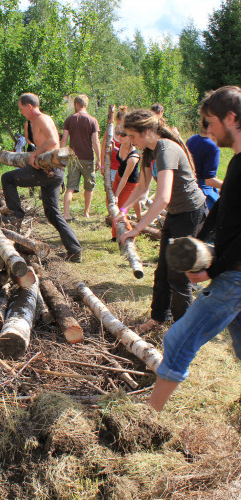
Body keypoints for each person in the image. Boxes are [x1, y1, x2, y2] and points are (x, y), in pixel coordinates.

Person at [148, 85, 241, 411]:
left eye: (211, 121)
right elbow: (221, 210)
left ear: (231, 118)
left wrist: (211, 269)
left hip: (235, 277)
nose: (208, 129)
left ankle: (147, 420)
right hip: (231, 271)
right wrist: (199, 238)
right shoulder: (237, 162)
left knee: (177, 339)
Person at [115, 109, 207, 333]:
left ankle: (185, 329)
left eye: (133, 136)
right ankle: (158, 318)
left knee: (178, 273)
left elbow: (163, 197)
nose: (131, 141)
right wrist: (124, 208)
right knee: (163, 269)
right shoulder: (150, 151)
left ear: (147, 131)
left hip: (190, 213)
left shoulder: (166, 149)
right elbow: (144, 188)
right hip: (176, 213)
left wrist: (137, 228)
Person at [1, 93, 82, 261]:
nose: (21, 112)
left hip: (47, 170)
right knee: (52, 212)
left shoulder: (41, 120)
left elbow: (53, 141)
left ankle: (16, 215)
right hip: (52, 171)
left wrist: (35, 154)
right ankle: (74, 250)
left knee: (7, 178)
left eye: (22, 109)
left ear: (29, 106)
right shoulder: (38, 120)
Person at [60, 94, 101, 219]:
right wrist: (99, 159)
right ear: (85, 105)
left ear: (76, 104)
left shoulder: (69, 120)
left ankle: (66, 214)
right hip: (88, 157)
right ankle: (86, 212)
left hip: (73, 158)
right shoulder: (92, 120)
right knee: (89, 186)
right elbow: (96, 141)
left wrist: (61, 156)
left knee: (70, 187)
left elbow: (64, 140)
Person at [111, 114, 141, 241]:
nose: (119, 137)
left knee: (120, 209)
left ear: (130, 137)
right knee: (111, 206)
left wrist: (116, 195)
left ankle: (130, 235)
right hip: (119, 177)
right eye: (117, 133)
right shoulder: (122, 146)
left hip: (129, 183)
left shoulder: (133, 158)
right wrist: (113, 148)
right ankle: (115, 236)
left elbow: (125, 179)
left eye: (122, 135)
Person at [186, 118, 223, 210]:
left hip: (188, 189)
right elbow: (209, 180)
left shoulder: (191, 140)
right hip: (203, 194)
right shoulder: (212, 147)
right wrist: (230, 185)